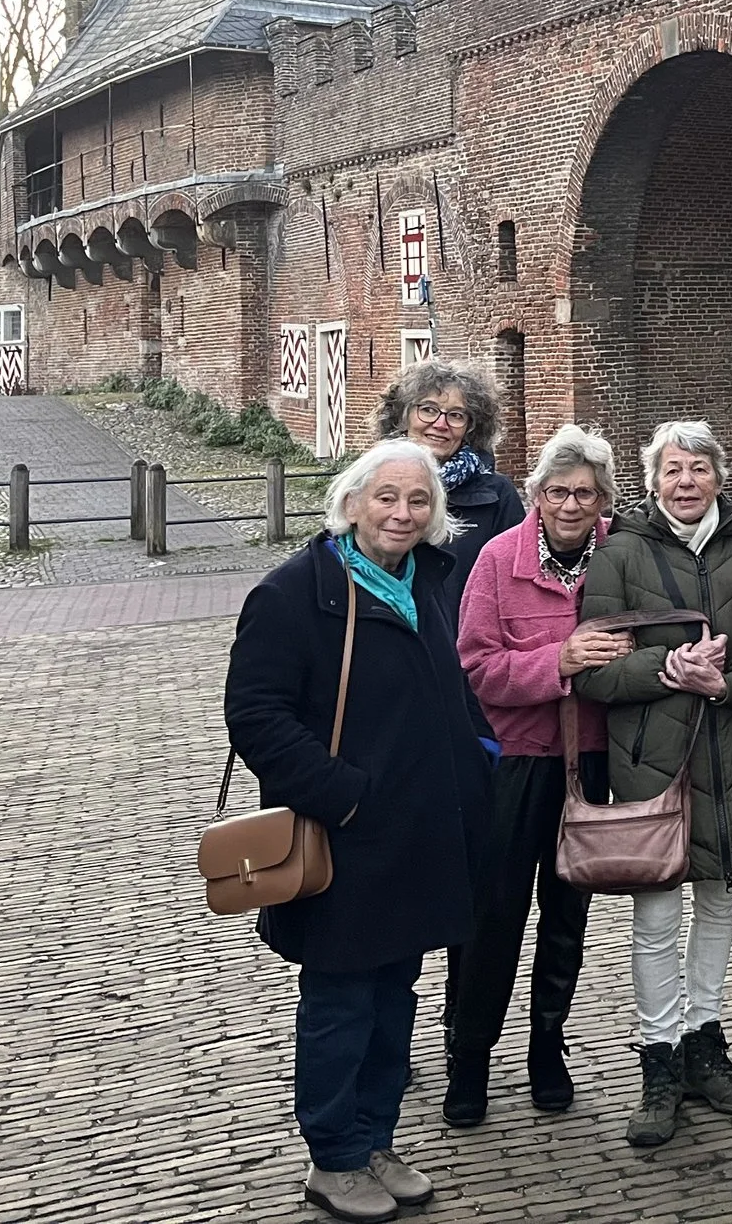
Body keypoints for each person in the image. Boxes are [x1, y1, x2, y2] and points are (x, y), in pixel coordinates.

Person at [223, 438, 494, 1223]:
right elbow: (256, 717)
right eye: (386, 498)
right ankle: (333, 1154)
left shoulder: (429, 582)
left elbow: (449, 689)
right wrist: (345, 796)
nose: (402, 514)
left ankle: (375, 1137)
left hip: (422, 837)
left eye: (418, 501)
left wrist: (479, 754)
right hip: (348, 840)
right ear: (350, 502)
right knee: (341, 1003)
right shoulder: (294, 593)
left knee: (394, 999)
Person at [572, 420, 732, 1147]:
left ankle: (706, 1042)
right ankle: (658, 1059)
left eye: (699, 467)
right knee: (657, 917)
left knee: (721, 905)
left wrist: (727, 682)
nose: (687, 481)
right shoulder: (619, 553)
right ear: (652, 478)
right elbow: (595, 669)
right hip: (657, 762)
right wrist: (666, 671)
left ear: (719, 476)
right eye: (673, 469)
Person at [446, 424, 631, 1127]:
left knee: (567, 915)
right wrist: (560, 659)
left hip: (588, 758)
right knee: (494, 915)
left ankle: (546, 1045)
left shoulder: (620, 555)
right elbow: (477, 664)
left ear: (603, 498)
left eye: (585, 492)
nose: (571, 504)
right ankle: (469, 1054)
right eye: (557, 490)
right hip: (515, 760)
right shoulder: (498, 559)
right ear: (537, 495)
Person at [373, 359, 524, 624]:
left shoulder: (499, 496)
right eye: (428, 410)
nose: (441, 424)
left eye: (456, 415)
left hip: (464, 651)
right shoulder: (368, 486)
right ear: (402, 416)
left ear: (470, 428)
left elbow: (518, 587)